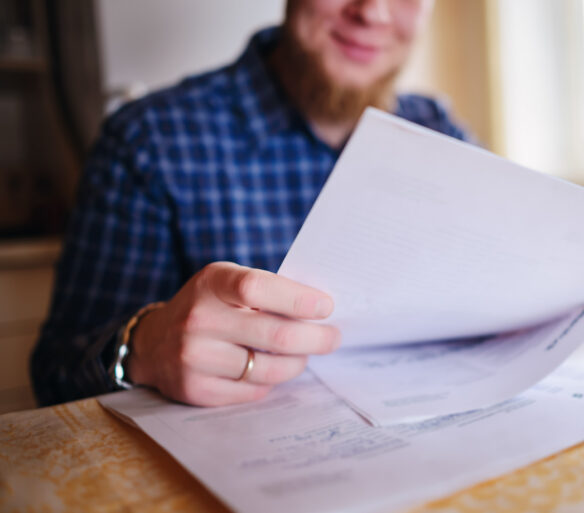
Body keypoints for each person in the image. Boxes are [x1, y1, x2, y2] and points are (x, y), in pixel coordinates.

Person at [31, 0, 470, 407]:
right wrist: (145, 349)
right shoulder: (148, 140)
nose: (373, 12)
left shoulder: (439, 130)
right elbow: (56, 373)